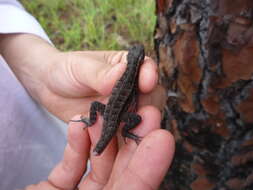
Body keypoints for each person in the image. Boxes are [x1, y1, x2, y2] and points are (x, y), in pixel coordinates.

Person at [0, 1, 175, 189]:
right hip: (113, 117)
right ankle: (125, 132)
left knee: (100, 134)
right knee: (134, 119)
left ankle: (95, 126)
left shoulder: (124, 74)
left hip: (108, 116)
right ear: (139, 62)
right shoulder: (130, 76)